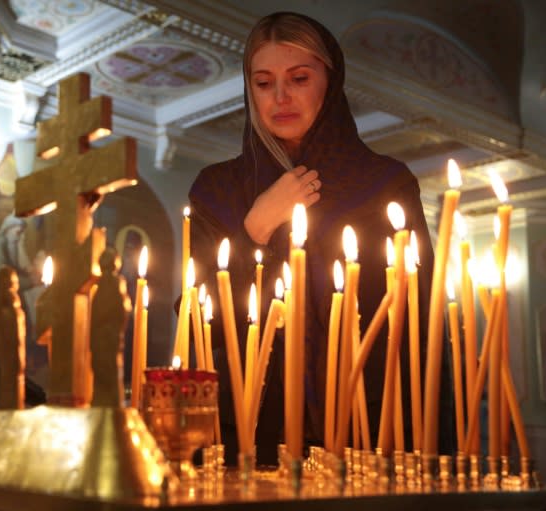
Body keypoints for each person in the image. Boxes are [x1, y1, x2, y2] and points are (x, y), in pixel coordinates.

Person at [188, 12, 453, 466]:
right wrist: (255, 229)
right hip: (250, 430)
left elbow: (420, 322)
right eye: (264, 82)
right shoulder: (217, 190)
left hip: (369, 429)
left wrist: (431, 446)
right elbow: (196, 322)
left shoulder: (384, 185)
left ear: (330, 82)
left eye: (299, 78)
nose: (281, 97)